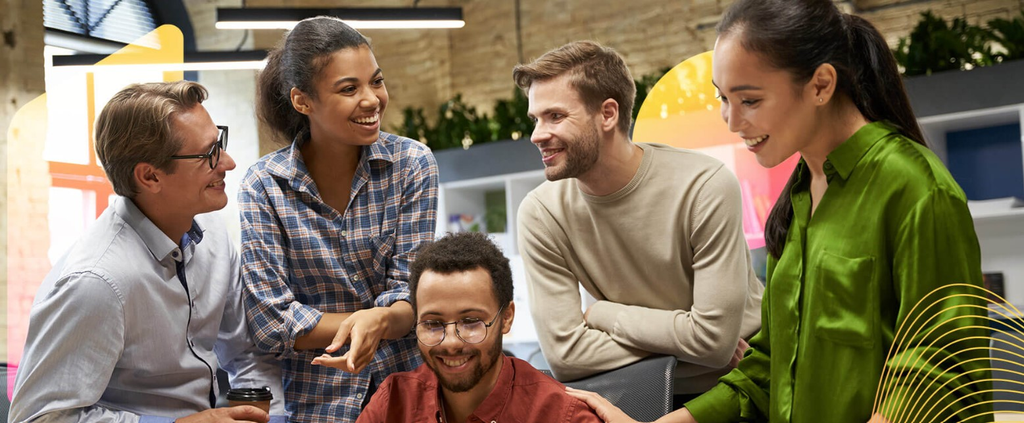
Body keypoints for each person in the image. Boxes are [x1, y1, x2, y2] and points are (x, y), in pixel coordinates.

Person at [567, 0, 992, 422]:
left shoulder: (915, 188)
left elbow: (942, 370)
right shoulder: (797, 200)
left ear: (821, 85)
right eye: (723, 99)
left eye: (749, 100)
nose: (732, 122)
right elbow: (769, 368)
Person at [10, 81, 286, 422]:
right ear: (150, 177)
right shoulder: (96, 281)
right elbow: (38, 417)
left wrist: (268, 417)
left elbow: (246, 353)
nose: (227, 162)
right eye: (208, 154)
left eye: (220, 143)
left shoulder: (212, 234)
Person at [513, 40, 764, 405]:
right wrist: (694, 342)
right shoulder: (540, 213)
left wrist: (603, 313)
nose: (537, 134)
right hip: (635, 394)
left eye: (555, 116)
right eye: (535, 119)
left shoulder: (704, 185)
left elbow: (713, 340)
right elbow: (566, 355)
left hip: (739, 387)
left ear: (608, 114)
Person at [240, 16, 439, 421]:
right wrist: (375, 320)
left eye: (376, 81)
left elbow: (413, 295)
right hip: (319, 404)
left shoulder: (412, 164)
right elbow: (270, 321)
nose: (371, 100)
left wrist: (384, 317)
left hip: (409, 396)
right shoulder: (264, 185)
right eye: (349, 88)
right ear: (302, 101)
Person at [349, 232, 603, 423]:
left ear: (506, 318)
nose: (450, 342)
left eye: (471, 322)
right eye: (433, 324)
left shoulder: (562, 415)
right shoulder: (393, 401)